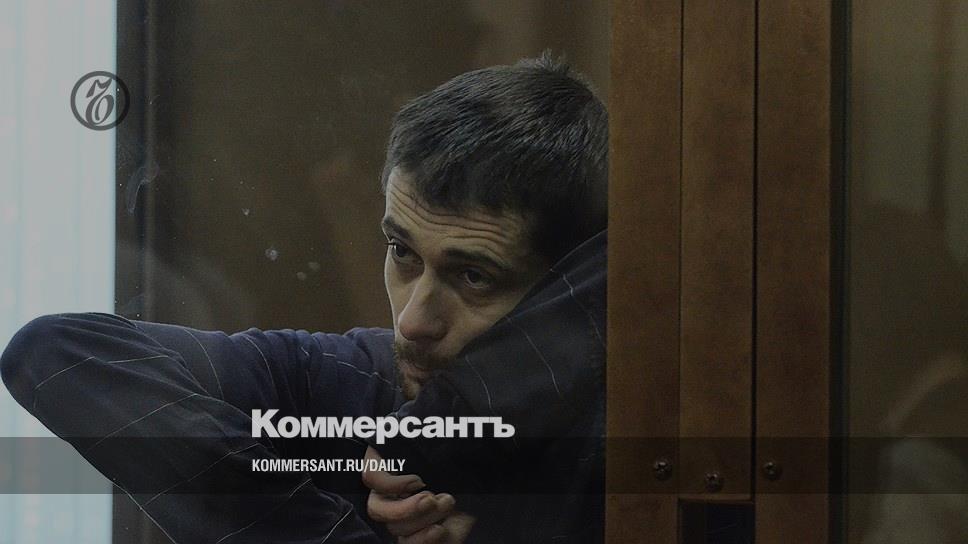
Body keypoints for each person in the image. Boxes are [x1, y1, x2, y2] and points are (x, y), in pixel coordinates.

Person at [1, 53, 607, 543]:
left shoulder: (620, 447)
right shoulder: (347, 383)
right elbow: (59, 354)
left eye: (474, 277)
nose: (414, 320)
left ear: (566, 287)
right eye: (402, 252)